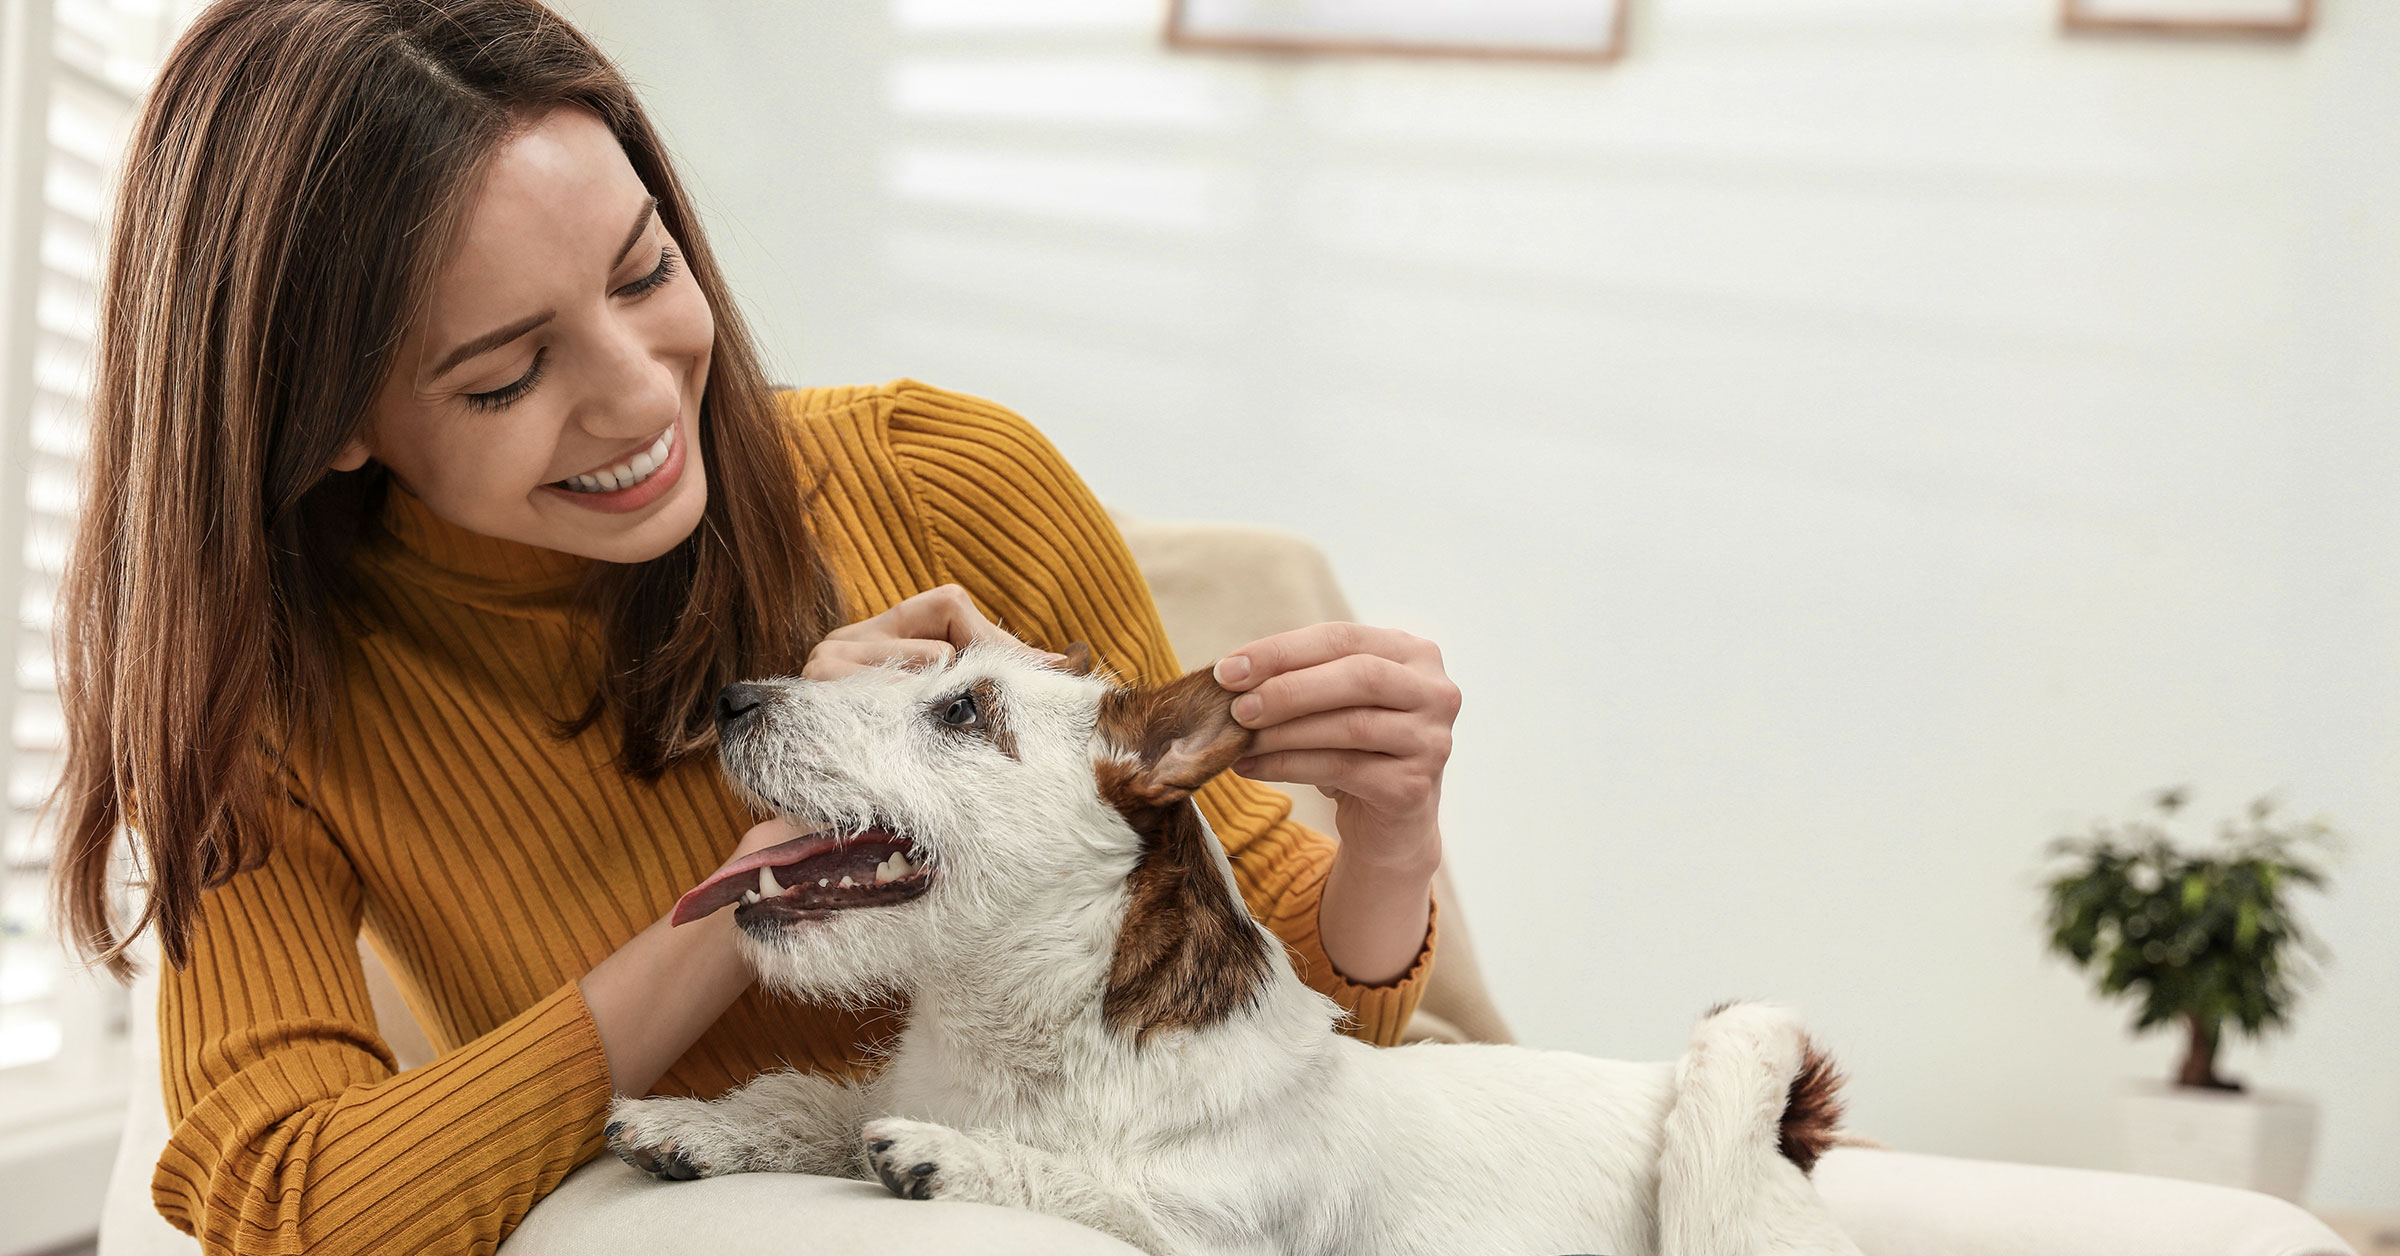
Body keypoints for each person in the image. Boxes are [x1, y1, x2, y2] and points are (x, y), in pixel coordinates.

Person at [46, 2, 1459, 1253]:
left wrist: (1391, 829)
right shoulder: (270, 720)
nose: (638, 397)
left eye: (646, 271)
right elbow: (287, 1208)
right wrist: (771, 882)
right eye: (506, 375)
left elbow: (1319, 1006)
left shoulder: (942, 476)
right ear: (332, 422)